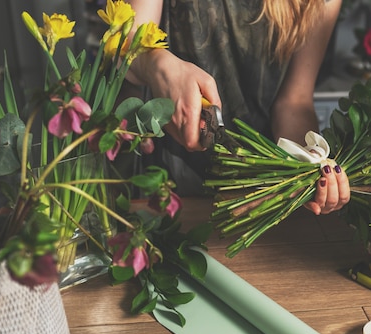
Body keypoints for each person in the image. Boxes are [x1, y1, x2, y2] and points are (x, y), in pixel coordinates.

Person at [125, 0, 349, 215]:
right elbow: (125, 41)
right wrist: (158, 64)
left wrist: (308, 166)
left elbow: (294, 102)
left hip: (260, 196)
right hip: (165, 184)